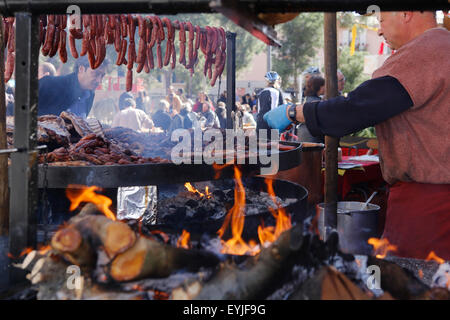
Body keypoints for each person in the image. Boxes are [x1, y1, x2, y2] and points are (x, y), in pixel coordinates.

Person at [263, 11, 450, 260]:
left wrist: (294, 111)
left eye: (381, 20)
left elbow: (355, 109)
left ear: (405, 13)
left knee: (418, 286)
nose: (380, 31)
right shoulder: (443, 47)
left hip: (428, 209)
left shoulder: (424, 53)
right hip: (433, 201)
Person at [38, 56, 108, 117]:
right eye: (95, 74)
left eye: (102, 76)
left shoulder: (90, 94)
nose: (99, 81)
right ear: (81, 69)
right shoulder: (49, 83)